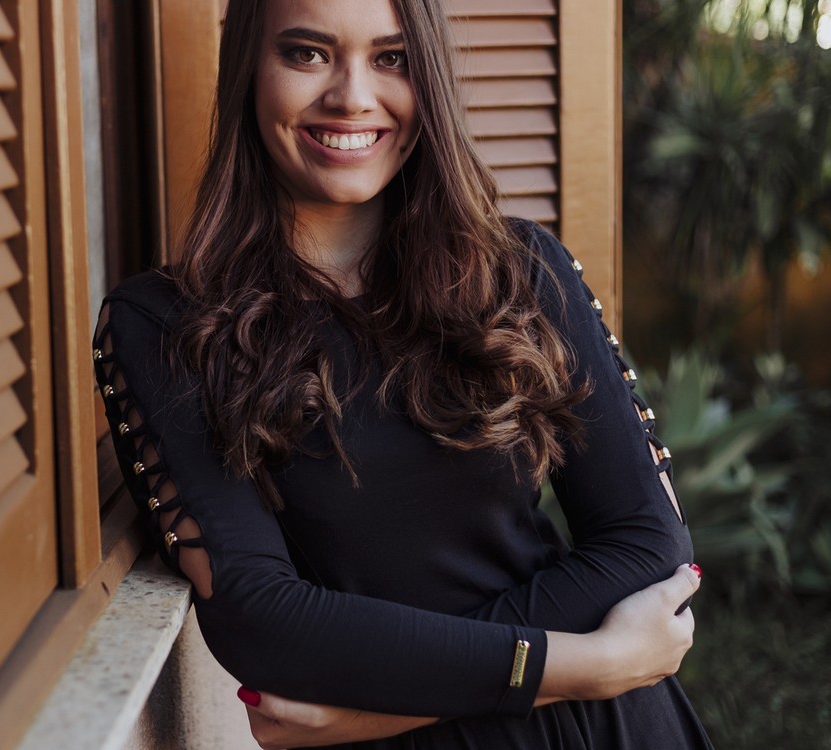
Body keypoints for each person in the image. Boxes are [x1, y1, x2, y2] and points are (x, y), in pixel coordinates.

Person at [92, 0, 712, 747]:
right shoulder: (163, 324)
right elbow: (266, 621)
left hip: (615, 729)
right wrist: (587, 661)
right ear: (248, 72)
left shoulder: (521, 271)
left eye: (392, 59)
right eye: (308, 53)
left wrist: (369, 704)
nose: (353, 95)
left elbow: (648, 549)